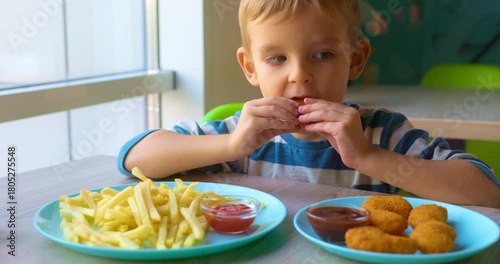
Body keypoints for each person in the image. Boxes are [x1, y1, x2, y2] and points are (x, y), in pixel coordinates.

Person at [118, 0, 500, 208]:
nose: (299, 76)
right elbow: (134, 156)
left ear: (355, 59)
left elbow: (487, 192)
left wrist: (368, 157)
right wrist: (231, 145)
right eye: (277, 59)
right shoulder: (243, 136)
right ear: (250, 67)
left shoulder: (381, 133)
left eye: (322, 55)